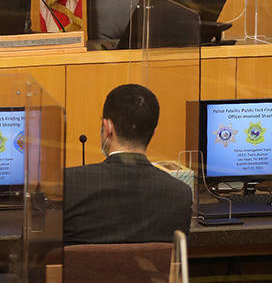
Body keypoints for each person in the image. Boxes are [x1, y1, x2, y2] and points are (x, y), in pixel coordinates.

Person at [62, 84, 192, 245]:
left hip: (85, 271)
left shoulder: (68, 184)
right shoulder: (180, 194)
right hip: (150, 271)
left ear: (107, 127)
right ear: (153, 131)